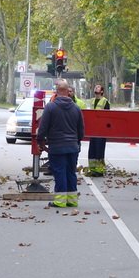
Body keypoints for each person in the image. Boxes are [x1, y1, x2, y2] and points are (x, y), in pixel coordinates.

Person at [37, 79, 85, 209]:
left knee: (59, 173)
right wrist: (77, 142)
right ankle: (72, 200)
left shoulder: (51, 107)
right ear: (68, 92)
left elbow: (43, 128)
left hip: (57, 147)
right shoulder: (76, 108)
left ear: (57, 92)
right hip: (72, 147)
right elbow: (81, 130)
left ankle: (60, 201)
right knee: (70, 172)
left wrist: (40, 141)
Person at [84, 85, 111, 176]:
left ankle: (99, 171)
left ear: (102, 91)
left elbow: (107, 116)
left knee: (99, 150)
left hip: (101, 130)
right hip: (93, 130)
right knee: (92, 150)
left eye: (98, 87)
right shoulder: (91, 101)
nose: (96, 88)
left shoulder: (105, 101)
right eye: (95, 87)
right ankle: (92, 169)